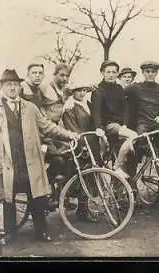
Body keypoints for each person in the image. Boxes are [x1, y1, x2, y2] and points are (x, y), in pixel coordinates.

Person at [0, 69, 78, 245]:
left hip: (30, 160)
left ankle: (41, 232)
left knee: (37, 197)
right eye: (8, 84)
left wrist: (69, 135)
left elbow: (48, 126)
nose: (12, 87)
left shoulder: (30, 107)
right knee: (8, 197)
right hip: (8, 161)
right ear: (1, 87)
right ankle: (10, 233)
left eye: (15, 84)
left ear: (20, 86)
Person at [61, 80, 103, 222]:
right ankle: (81, 210)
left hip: (91, 143)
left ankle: (84, 209)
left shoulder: (87, 104)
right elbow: (73, 130)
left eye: (84, 90)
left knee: (91, 176)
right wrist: (82, 146)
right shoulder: (69, 107)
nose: (82, 93)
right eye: (78, 90)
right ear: (73, 91)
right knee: (82, 176)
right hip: (79, 145)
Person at [121, 61, 159, 178]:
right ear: (143, 73)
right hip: (143, 124)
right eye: (147, 72)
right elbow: (118, 92)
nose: (150, 74)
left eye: (153, 72)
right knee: (135, 149)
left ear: (156, 73)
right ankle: (132, 183)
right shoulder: (135, 88)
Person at [91, 60, 137, 180]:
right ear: (102, 73)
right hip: (109, 126)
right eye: (108, 72)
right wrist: (98, 128)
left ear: (117, 74)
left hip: (120, 126)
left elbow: (125, 109)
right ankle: (116, 167)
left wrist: (126, 124)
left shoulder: (119, 88)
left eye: (114, 72)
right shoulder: (98, 90)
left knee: (127, 154)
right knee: (134, 136)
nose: (111, 75)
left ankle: (120, 193)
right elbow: (96, 111)